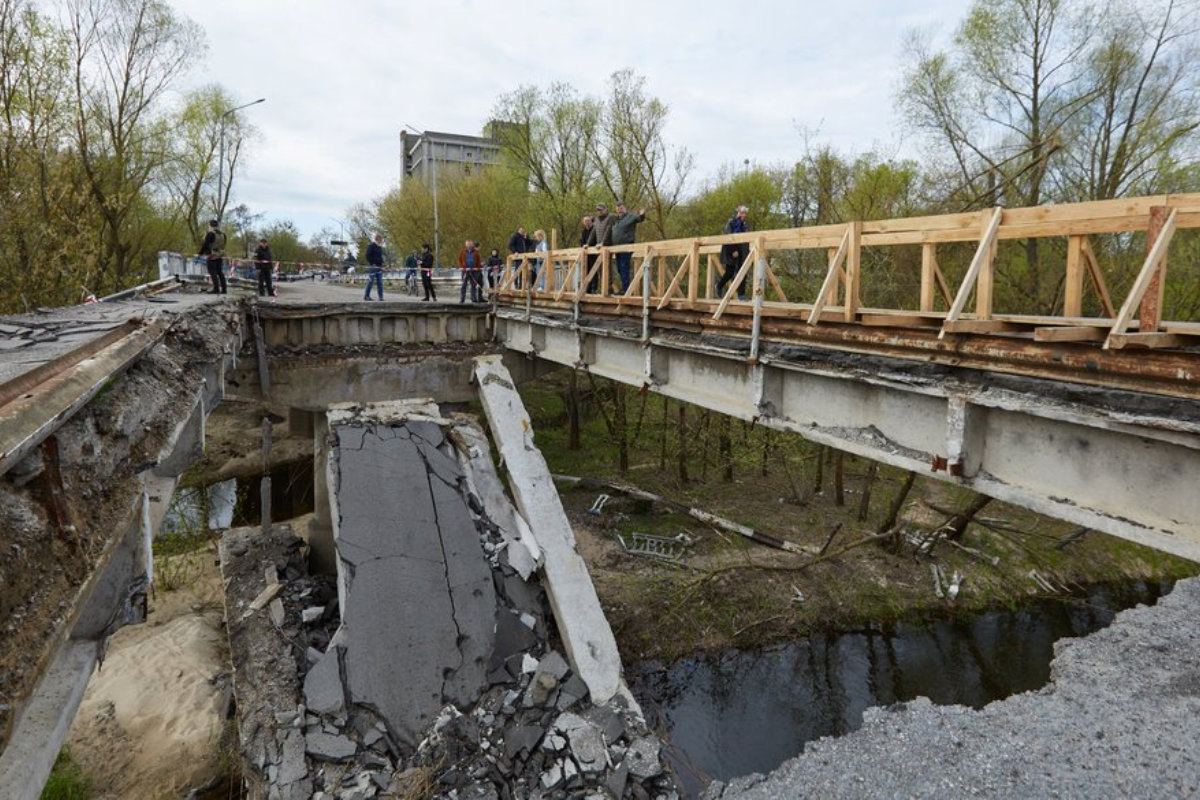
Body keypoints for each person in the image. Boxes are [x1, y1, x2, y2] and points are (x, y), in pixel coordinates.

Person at [610, 200, 646, 294]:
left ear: (625, 208)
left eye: (621, 208)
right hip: (617, 248)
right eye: (618, 208)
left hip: (626, 246)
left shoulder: (630, 216)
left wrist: (642, 214)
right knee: (619, 268)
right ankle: (624, 288)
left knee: (624, 266)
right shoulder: (616, 219)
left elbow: (639, 219)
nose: (620, 210)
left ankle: (626, 289)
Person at [717, 205, 750, 301]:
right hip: (731, 250)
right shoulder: (731, 222)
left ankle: (741, 295)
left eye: (744, 213)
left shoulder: (744, 225)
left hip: (742, 250)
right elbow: (727, 236)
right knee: (730, 272)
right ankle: (719, 286)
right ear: (737, 213)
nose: (744, 215)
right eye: (742, 213)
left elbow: (747, 237)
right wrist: (733, 250)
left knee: (742, 271)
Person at [587, 203, 615, 291]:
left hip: (607, 246)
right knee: (599, 268)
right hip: (599, 247)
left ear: (606, 209)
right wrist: (588, 243)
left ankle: (608, 288)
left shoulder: (610, 217)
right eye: (598, 210)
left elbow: (608, 230)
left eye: (601, 210)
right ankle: (603, 287)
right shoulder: (596, 220)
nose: (599, 211)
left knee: (607, 268)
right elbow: (593, 232)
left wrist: (603, 243)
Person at [198, 219, 227, 295]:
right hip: (220, 254)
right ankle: (224, 289)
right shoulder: (223, 234)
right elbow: (224, 244)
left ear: (210, 226)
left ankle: (216, 288)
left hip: (212, 255)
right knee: (220, 272)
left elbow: (205, 245)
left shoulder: (210, 234)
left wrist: (200, 253)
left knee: (212, 272)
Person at [579, 215, 599, 293]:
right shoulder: (584, 231)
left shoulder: (594, 230)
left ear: (591, 221)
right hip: (586, 254)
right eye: (585, 221)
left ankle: (594, 288)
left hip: (593, 254)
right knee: (586, 271)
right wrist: (582, 246)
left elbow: (596, 240)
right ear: (583, 223)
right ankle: (588, 288)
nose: (587, 222)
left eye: (588, 220)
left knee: (593, 271)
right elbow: (581, 242)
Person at [364, 233, 385, 301]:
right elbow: (367, 255)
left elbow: (380, 257)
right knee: (370, 282)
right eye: (381, 239)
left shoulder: (379, 247)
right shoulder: (371, 246)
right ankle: (366, 296)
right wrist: (372, 263)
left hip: (379, 267)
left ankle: (381, 297)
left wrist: (382, 263)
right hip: (373, 267)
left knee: (380, 282)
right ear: (377, 239)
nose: (382, 240)